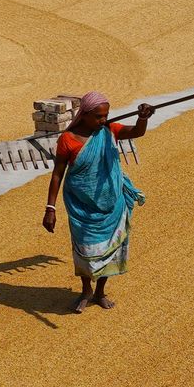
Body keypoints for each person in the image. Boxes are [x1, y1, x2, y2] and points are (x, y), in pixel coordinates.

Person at [42, 91, 155, 313]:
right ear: (84, 115)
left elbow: (137, 132)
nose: (103, 120)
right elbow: (57, 174)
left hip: (112, 203)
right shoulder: (67, 140)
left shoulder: (109, 130)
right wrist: (50, 208)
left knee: (109, 249)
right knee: (85, 249)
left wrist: (143, 118)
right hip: (81, 206)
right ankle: (86, 290)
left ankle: (100, 291)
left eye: (106, 115)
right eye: (98, 117)